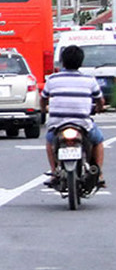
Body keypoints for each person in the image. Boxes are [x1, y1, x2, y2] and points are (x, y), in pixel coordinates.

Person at [40, 44, 106, 188]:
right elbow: (100, 100)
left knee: (50, 142)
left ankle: (54, 171)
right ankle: (99, 174)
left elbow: (43, 98)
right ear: (81, 62)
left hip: (57, 124)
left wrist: (44, 109)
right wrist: (99, 108)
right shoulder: (89, 80)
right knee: (98, 140)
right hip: (82, 123)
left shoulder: (52, 80)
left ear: (62, 61)